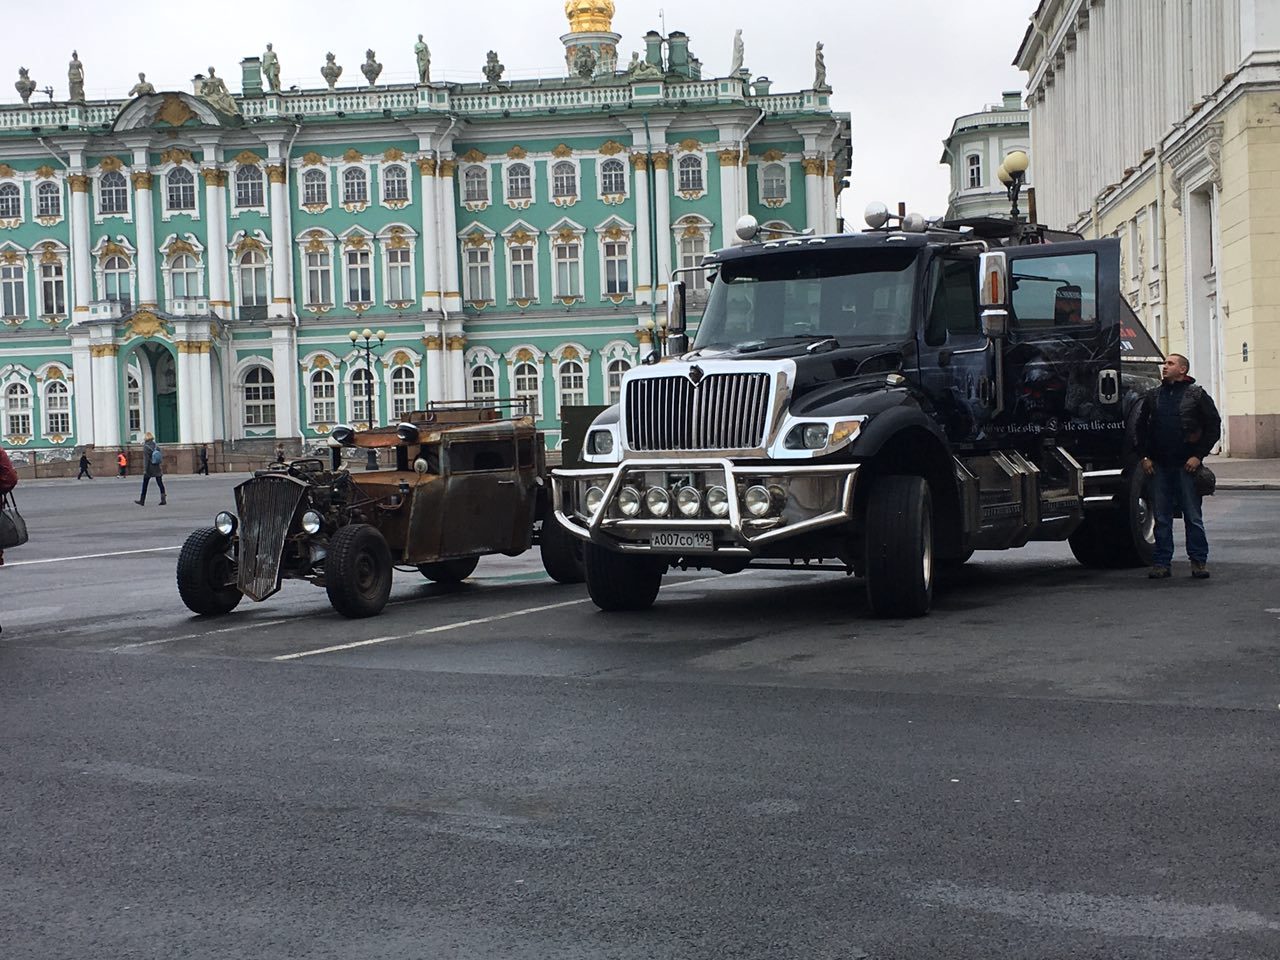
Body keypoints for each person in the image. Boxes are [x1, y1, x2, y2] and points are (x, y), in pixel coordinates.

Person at [1133, 353, 1221, 579]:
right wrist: (1145, 457)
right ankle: (1162, 563)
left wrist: (1198, 456)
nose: (1164, 367)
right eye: (1165, 363)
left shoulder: (1197, 395)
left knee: (1193, 517)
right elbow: (1140, 428)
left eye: (1170, 363)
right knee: (1162, 519)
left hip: (1187, 467)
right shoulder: (1154, 396)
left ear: (1183, 369)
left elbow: (1213, 425)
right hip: (1159, 466)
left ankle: (1198, 562)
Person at [135, 432, 167, 506]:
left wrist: (145, 470)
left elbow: (146, 460)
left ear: (146, 438)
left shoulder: (146, 447)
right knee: (160, 483)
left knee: (145, 485)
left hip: (149, 468)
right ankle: (163, 499)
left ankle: (142, 500)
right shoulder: (156, 445)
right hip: (157, 467)